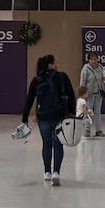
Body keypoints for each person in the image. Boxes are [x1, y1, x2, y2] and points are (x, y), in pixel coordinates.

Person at [22, 53, 76, 185]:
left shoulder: (37, 80)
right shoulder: (62, 76)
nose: (57, 64)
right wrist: (72, 113)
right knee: (58, 144)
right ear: (50, 65)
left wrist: (25, 118)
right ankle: (56, 172)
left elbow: (29, 100)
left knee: (46, 145)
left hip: (43, 117)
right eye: (55, 62)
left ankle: (47, 172)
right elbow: (71, 95)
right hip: (59, 116)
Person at [80, 52, 105, 137]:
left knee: (97, 112)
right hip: (89, 95)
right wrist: (83, 94)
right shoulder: (85, 69)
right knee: (88, 112)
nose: (93, 61)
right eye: (91, 59)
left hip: (99, 94)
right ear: (88, 60)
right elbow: (82, 82)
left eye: (95, 59)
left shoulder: (101, 68)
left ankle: (98, 130)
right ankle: (87, 130)